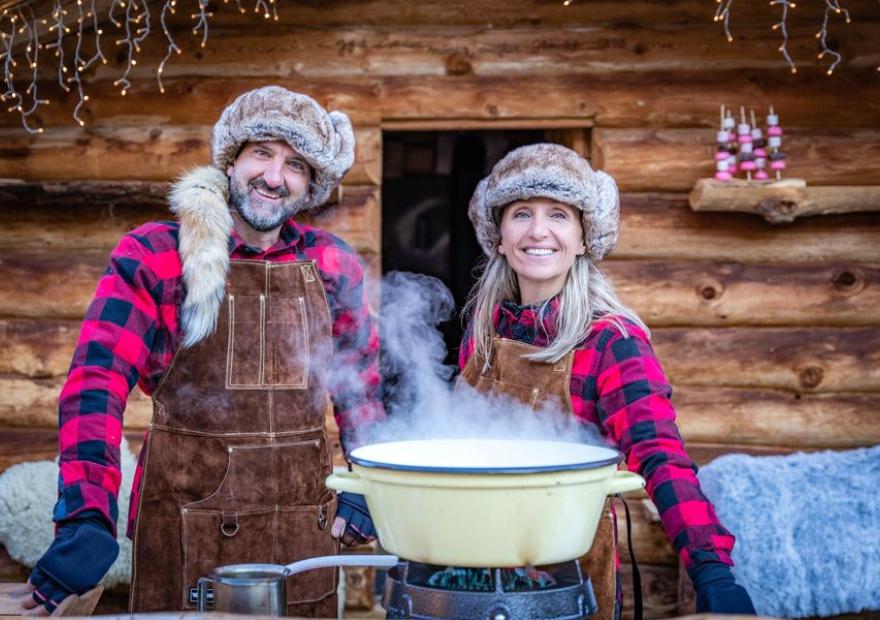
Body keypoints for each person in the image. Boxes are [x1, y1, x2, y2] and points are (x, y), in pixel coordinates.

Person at [22, 86, 381, 618]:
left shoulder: (332, 263)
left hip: (303, 540)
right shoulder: (156, 254)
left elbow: (364, 385)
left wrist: (369, 482)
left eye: (295, 164)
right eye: (262, 152)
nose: (274, 177)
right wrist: (85, 519)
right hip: (185, 535)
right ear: (232, 160)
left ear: (310, 186)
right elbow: (94, 387)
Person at [458, 143, 756, 619]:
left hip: (567, 580)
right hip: (468, 568)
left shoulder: (611, 340)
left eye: (558, 214)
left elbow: (662, 457)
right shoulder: (485, 331)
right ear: (498, 236)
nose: (538, 231)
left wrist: (711, 571)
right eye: (520, 214)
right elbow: (451, 440)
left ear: (582, 238)